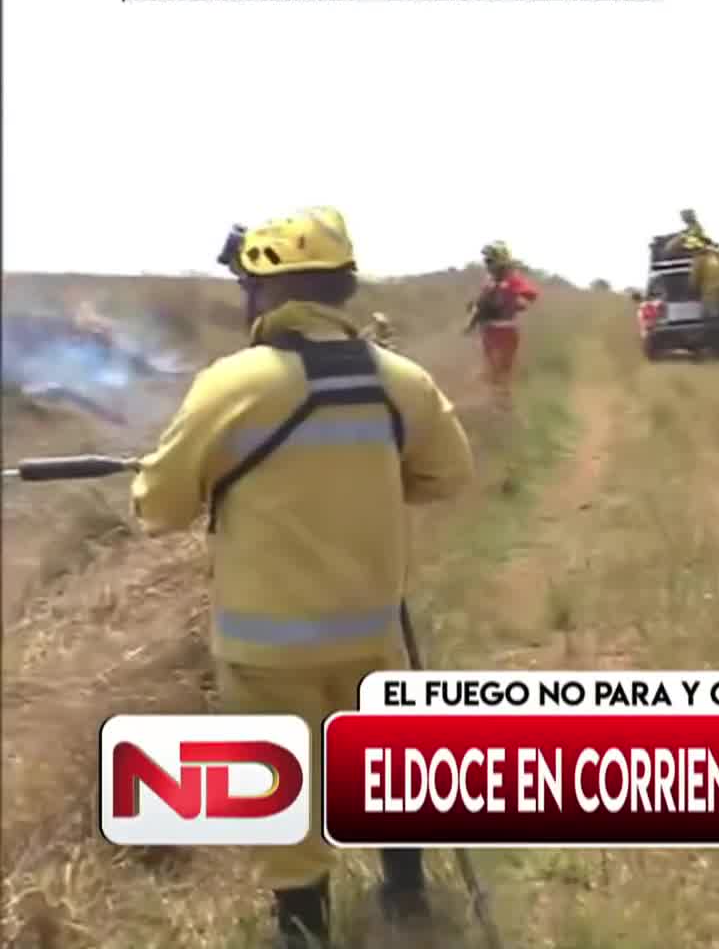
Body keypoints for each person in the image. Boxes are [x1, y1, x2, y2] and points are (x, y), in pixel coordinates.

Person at [133, 207, 476, 948]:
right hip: (371, 627)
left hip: (266, 644)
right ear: (343, 288)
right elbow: (448, 474)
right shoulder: (402, 381)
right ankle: (407, 896)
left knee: (281, 789)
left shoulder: (230, 385)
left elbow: (158, 508)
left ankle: (303, 932)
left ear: (265, 292)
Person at [470, 241, 540, 396]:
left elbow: (529, 295)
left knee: (503, 370)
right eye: (486, 261)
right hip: (488, 331)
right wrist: (472, 322)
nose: (487, 264)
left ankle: (504, 400)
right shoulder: (489, 282)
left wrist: (517, 301)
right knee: (490, 370)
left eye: (490, 260)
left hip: (506, 330)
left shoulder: (512, 280)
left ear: (500, 259)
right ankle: (493, 400)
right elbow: (480, 305)